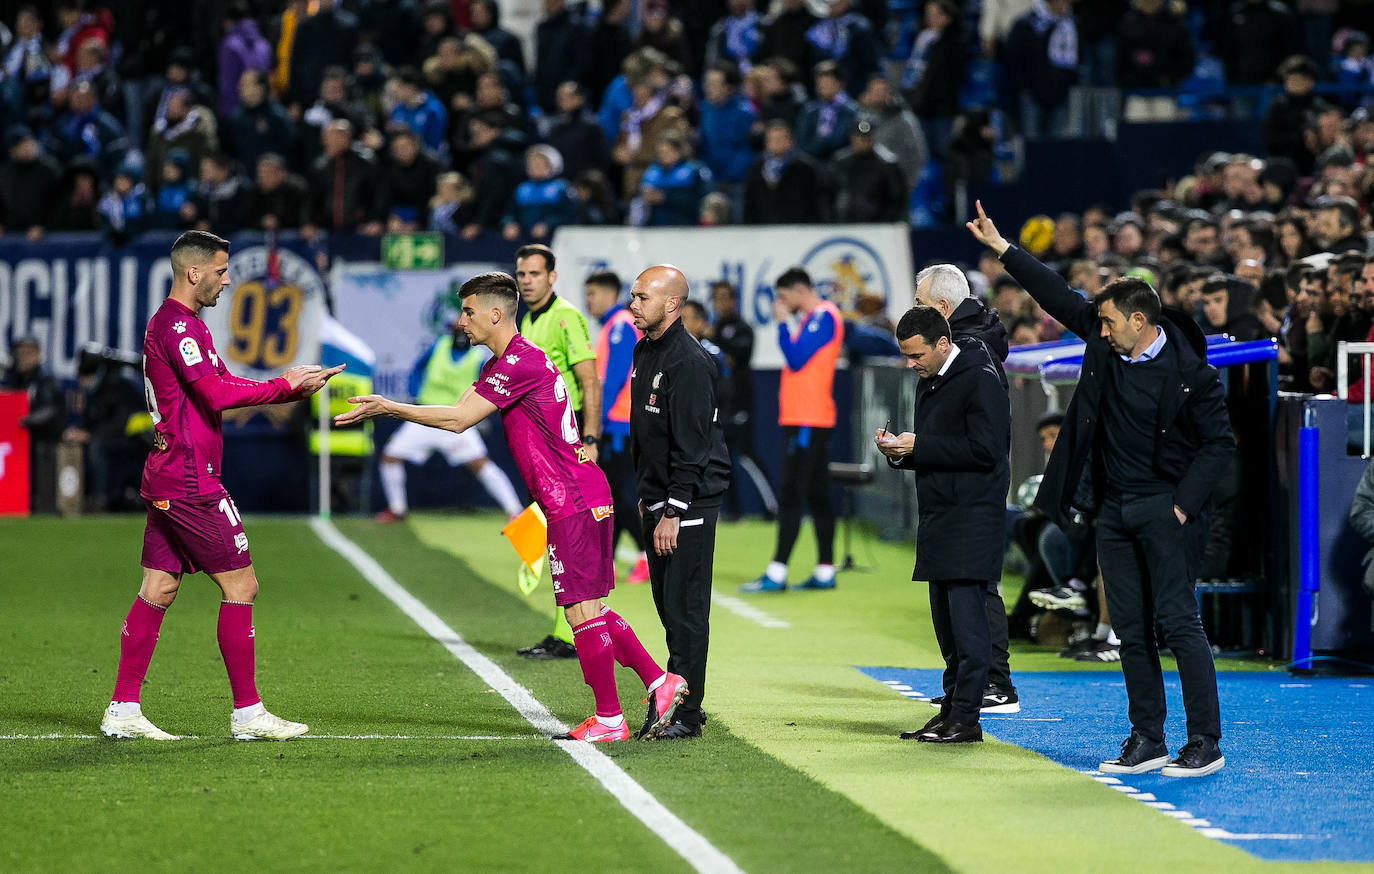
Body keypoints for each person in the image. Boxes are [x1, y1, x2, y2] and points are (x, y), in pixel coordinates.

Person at [337, 271, 688, 742]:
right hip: (571, 495)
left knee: (582, 611)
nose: (461, 321)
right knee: (589, 610)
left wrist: (389, 407)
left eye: (468, 311)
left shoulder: (518, 363)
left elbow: (461, 420)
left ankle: (610, 718)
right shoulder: (503, 364)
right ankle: (660, 682)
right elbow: (458, 412)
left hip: (574, 499)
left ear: (495, 313)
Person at [967, 200, 1232, 777]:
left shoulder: (1194, 375)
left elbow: (1219, 447)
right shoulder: (1106, 340)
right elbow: (1058, 295)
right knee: (1131, 629)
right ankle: (1148, 738)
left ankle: (1205, 741)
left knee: (1179, 623)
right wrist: (1004, 249)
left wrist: (1183, 505)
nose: (1098, 327)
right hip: (1114, 508)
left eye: (1108, 321)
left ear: (1141, 321)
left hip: (1168, 511)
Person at [100, 231, 344, 741]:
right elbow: (215, 393)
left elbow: (220, 387)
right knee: (241, 586)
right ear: (194, 272)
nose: (227, 279)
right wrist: (286, 386)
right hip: (190, 481)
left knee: (159, 587)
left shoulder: (183, 326)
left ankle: (122, 709)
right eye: (221, 270)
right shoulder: (178, 327)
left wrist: (285, 382)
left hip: (170, 473)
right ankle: (248, 713)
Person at [876, 306, 1010, 744]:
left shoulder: (979, 377)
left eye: (917, 356)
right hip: (941, 516)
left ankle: (967, 720)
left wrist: (923, 445)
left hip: (972, 518)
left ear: (942, 344)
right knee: (947, 629)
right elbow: (942, 450)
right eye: (906, 356)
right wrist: (903, 452)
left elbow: (988, 450)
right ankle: (951, 710)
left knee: (970, 631)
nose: (911, 365)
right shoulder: (933, 377)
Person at [627, 265, 733, 739]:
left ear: (672, 303)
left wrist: (673, 510)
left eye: (642, 297)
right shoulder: (645, 348)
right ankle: (681, 695)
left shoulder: (689, 362)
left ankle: (686, 714)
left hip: (686, 504)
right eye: (633, 296)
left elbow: (693, 448)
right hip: (657, 498)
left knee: (686, 610)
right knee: (669, 609)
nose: (633, 305)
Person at [913, 264, 1018, 714]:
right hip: (952, 490)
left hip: (971, 494)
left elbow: (986, 442)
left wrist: (922, 446)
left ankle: (990, 684)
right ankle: (969, 685)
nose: (914, 311)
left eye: (920, 304)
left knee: (974, 589)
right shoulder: (973, 345)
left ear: (942, 308)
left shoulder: (972, 355)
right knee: (961, 593)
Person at [514, 243, 602, 659]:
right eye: (521, 274)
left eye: (534, 274)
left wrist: (590, 439)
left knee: (569, 536)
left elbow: (589, 380)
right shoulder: (525, 321)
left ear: (552, 276)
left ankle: (572, 632)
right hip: (539, 445)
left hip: (565, 446)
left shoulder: (565, 317)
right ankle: (571, 627)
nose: (526, 281)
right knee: (555, 534)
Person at [741, 267, 844, 592]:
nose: (781, 304)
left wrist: (784, 322)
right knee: (817, 495)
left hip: (808, 421)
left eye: (784, 297)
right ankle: (825, 570)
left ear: (799, 290)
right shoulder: (816, 319)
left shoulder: (823, 316)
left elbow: (797, 358)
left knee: (791, 496)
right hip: (807, 419)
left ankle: (777, 571)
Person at [374, 319, 524, 523]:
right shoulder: (439, 346)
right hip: (425, 417)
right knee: (390, 457)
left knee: (480, 464)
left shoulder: (477, 357)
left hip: (455, 420)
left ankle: (515, 510)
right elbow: (417, 368)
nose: (460, 332)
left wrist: (477, 412)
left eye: (463, 328)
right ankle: (397, 509)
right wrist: (413, 393)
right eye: (456, 328)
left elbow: (489, 384)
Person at [584, 270, 650, 584]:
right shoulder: (614, 325)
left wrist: (595, 421)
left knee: (613, 496)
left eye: (592, 294)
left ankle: (645, 554)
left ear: (610, 294)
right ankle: (607, 562)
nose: (588, 301)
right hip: (617, 422)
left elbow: (614, 380)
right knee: (610, 495)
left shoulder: (620, 325)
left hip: (620, 424)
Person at [710, 280, 777, 519]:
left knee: (747, 456)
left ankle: (772, 507)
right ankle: (733, 510)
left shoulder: (742, 329)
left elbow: (735, 358)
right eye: (716, 298)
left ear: (734, 300)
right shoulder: (714, 328)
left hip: (740, 403)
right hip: (719, 403)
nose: (721, 303)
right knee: (721, 459)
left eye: (725, 297)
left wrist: (715, 342)